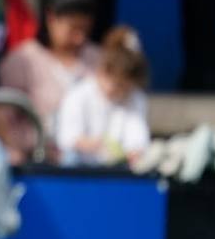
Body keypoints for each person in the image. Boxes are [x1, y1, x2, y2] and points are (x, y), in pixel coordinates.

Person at [0, 0, 100, 159]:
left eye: (85, 29)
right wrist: (21, 150)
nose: (79, 38)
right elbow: (2, 116)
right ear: (51, 18)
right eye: (73, 28)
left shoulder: (98, 59)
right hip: (38, 160)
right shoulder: (23, 60)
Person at [55, 25, 150, 167]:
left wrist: (131, 153)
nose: (121, 92)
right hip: (80, 166)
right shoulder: (78, 95)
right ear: (102, 71)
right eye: (118, 85)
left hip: (117, 169)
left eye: (126, 88)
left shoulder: (135, 98)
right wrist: (95, 144)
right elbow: (67, 138)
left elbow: (137, 140)